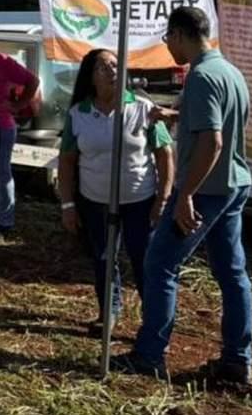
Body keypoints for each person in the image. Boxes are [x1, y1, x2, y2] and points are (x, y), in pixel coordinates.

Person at [114, 6, 252, 384]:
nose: (168, 47)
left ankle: (149, 355)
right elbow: (220, 124)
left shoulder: (202, 77)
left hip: (206, 190)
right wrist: (174, 117)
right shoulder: (230, 71)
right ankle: (236, 361)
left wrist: (186, 194)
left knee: (159, 265)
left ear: (178, 34)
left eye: (167, 39)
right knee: (232, 272)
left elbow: (213, 140)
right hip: (234, 184)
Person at [56, 49, 175, 329]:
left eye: (116, 65)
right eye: (103, 67)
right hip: (94, 201)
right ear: (91, 78)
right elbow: (67, 161)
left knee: (144, 260)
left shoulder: (143, 108)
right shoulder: (78, 114)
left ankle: (154, 323)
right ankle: (109, 311)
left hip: (140, 201)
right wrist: (68, 205)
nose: (112, 71)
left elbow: (164, 153)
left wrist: (163, 197)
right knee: (103, 258)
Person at [0, 22, 40, 232]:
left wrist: (20, 104)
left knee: (0, 173)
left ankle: (5, 220)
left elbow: (33, 81)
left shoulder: (1, 61)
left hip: (0, 126)